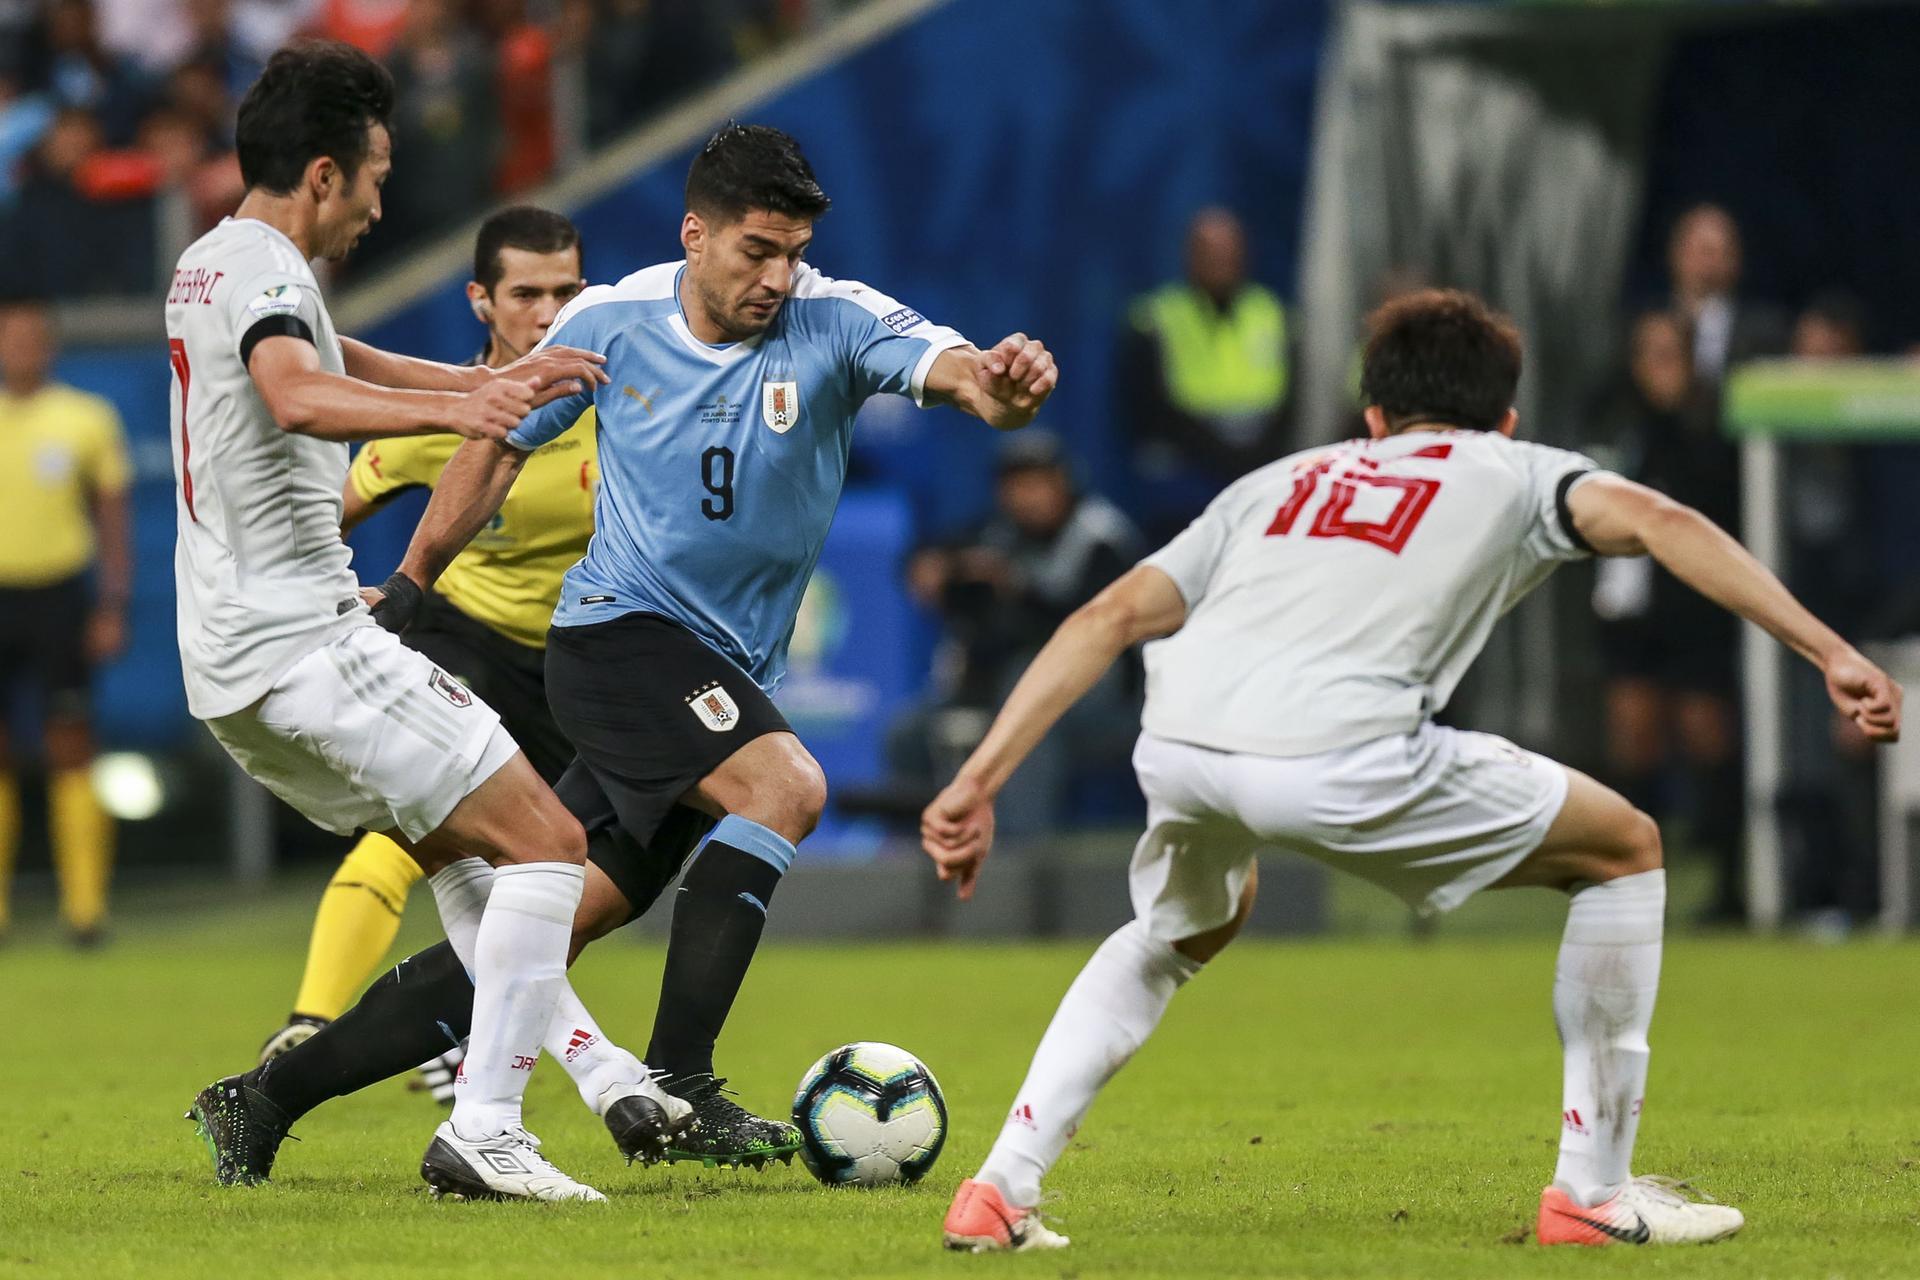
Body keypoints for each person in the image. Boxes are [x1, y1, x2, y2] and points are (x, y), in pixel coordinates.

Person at [924, 289, 1902, 1252]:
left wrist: (978, 775)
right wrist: (1830, 651)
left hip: (1183, 742)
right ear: (1506, 415)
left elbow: (1106, 619)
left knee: (1182, 924)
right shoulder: (1517, 468)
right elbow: (1661, 520)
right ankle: (1593, 1191)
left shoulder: (1277, 480)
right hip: (1342, 752)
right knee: (1626, 847)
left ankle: (1000, 1186)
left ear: (1374, 414)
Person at [239, 121, 1057, 1171]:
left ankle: (270, 1093)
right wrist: (408, 586)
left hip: (721, 665)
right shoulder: (610, 321)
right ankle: (682, 1084)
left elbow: (959, 374)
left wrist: (1000, 386)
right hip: (619, 639)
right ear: (695, 235)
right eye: (756, 250)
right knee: (785, 786)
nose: (777, 276)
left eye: (793, 252)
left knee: (537, 936)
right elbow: (493, 442)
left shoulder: (835, 320)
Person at [166, 41, 681, 1204]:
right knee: (553, 843)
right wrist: (462, 404)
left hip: (231, 663)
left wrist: (475, 390)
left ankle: (602, 1078)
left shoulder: (210, 261)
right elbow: (300, 392)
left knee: (472, 856)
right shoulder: (271, 276)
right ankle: (485, 1126)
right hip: (304, 640)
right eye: (375, 175)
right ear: (321, 175)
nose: (381, 201)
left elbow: (337, 359)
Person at [257, 205, 594, 1108]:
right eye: (528, 292)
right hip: (465, 645)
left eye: (568, 290)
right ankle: (312, 1023)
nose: (550, 311)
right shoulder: (443, 416)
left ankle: (466, 1043)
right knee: (412, 838)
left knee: (551, 883)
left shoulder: (618, 398)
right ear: (483, 301)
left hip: (578, 671)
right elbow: (322, 520)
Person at [889, 430, 1139, 835]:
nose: (1027, 496)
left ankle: (1019, 872)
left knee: (1027, 723)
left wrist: (1016, 585)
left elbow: (1089, 625)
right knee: (909, 735)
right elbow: (929, 559)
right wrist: (933, 568)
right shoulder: (997, 531)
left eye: (1038, 482)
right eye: (1015, 484)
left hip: (1099, 700)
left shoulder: (1100, 538)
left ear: (1064, 482)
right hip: (1000, 693)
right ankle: (918, 862)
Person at [1588, 310, 1744, 923]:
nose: (1660, 367)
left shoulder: (1711, 433)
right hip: (1632, 611)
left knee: (1707, 733)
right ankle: (1633, 882)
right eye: (1647, 352)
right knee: (1634, 736)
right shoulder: (1619, 428)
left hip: (1695, 607)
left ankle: (1732, 884)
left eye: (1670, 352)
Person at [0, 296, 131, 946]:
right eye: (10, 337)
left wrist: (111, 604)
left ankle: (85, 912)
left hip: (58, 595)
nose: (20, 348)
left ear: (47, 345)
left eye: (30, 337)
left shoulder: (85, 418)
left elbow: (111, 515)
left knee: (70, 741)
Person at [1119, 207, 1290, 540]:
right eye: (1210, 251)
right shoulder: (1156, 318)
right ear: (1190, 255)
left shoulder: (1272, 312)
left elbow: (1293, 396)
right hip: (1189, 471)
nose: (1221, 261)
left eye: (1229, 251)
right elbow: (1145, 405)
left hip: (1261, 461)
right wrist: (1215, 450)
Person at [1662, 203, 1788, 385]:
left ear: (1737, 262)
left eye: (1723, 253)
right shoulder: (1643, 322)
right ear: (1676, 254)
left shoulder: (1767, 330)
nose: (1711, 264)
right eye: (1704, 251)